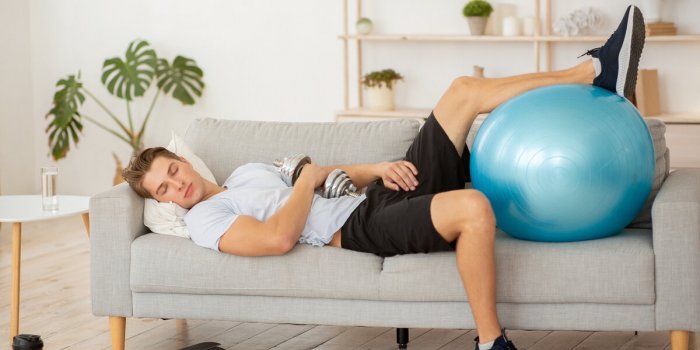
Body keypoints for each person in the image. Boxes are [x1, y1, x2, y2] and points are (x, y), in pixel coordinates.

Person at [122, 5, 645, 350]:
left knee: (463, 89)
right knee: (474, 208)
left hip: (375, 195)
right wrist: (305, 180)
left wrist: (376, 168)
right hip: (363, 230)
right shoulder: (206, 221)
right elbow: (278, 237)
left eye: (173, 171)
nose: (176, 186)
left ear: (185, 161)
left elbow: (327, 173)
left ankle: (597, 72)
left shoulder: (243, 173)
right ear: (164, 202)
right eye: (163, 190)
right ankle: (492, 342)